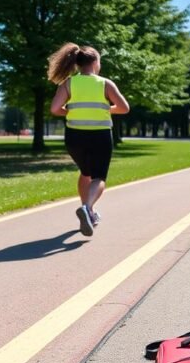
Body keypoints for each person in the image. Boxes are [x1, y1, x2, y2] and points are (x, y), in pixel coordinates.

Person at [48, 43, 130, 237]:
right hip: (99, 135)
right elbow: (124, 108)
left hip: (74, 137)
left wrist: (71, 110)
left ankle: (89, 213)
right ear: (95, 62)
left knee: (85, 172)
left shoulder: (68, 83)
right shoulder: (105, 83)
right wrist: (105, 108)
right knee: (99, 177)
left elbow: (54, 109)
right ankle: (87, 207)